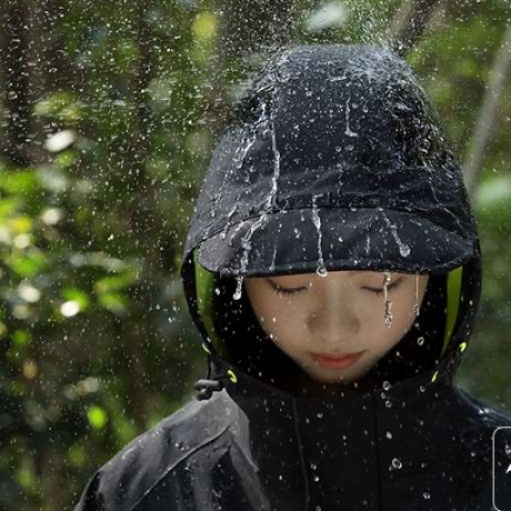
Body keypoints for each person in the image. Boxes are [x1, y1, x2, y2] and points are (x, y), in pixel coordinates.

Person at [74, 44, 511, 511]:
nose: (335, 328)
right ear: (233, 289)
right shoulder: (146, 492)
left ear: (440, 282)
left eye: (379, 285)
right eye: (290, 285)